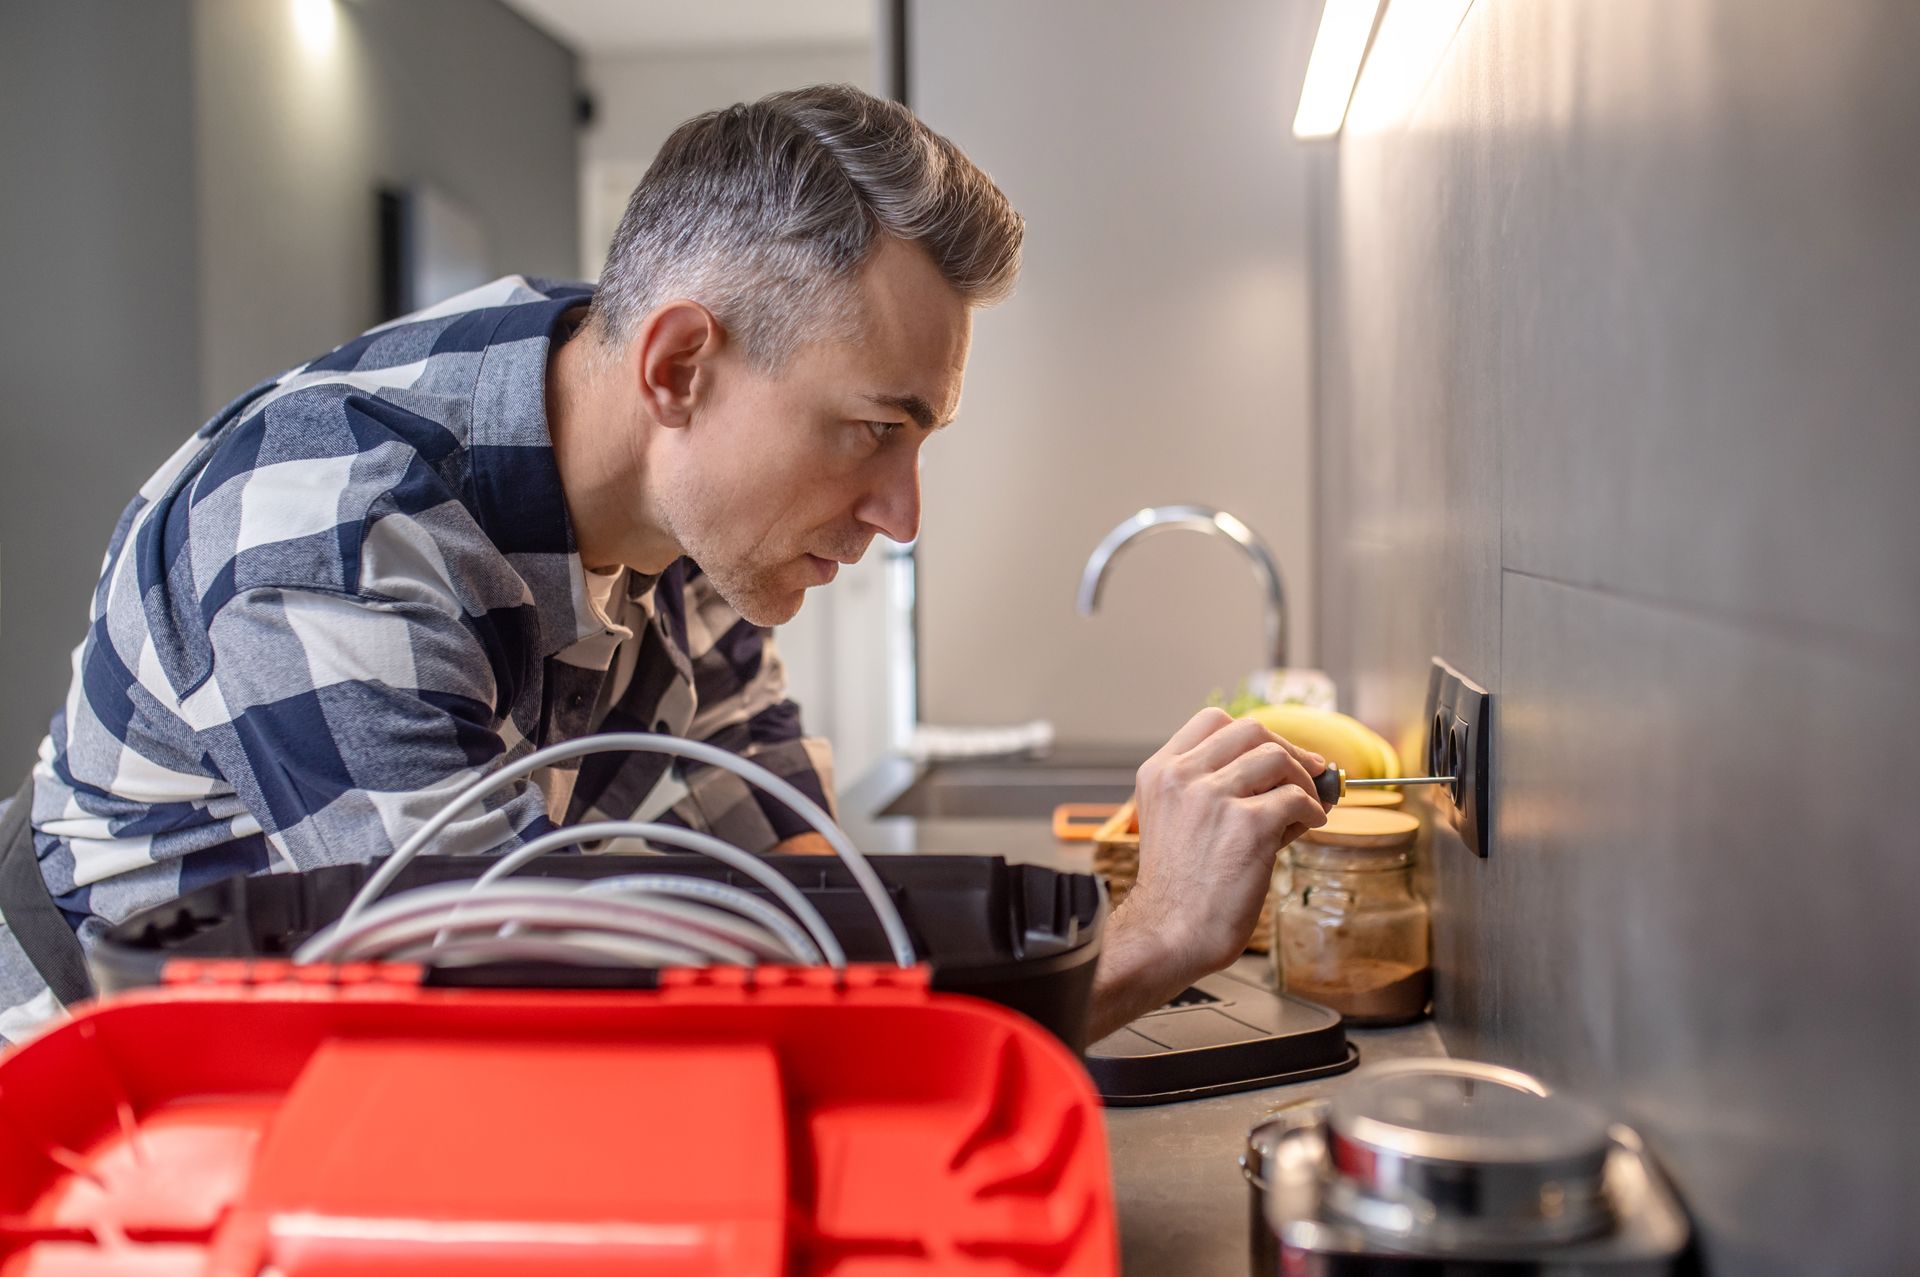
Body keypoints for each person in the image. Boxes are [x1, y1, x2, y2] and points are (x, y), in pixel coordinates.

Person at [0, 83, 1328, 1045]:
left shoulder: (694, 546)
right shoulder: (334, 542)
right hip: (93, 1129)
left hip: (320, 1090)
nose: (901, 512)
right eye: (873, 430)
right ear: (678, 365)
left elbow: (817, 919)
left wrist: (1097, 928)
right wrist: (1146, 939)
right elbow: (532, 1037)